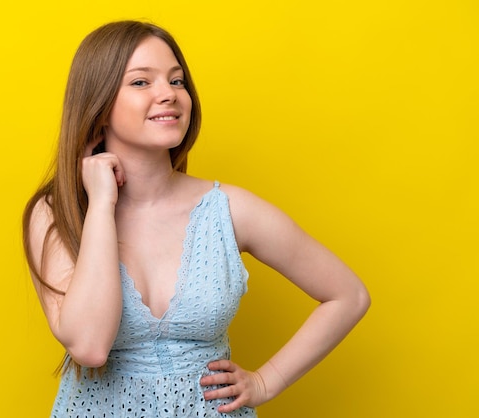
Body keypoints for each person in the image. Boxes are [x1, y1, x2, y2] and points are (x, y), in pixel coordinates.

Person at [23, 20, 370, 417]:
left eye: (177, 81)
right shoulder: (56, 212)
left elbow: (349, 295)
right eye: (141, 82)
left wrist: (266, 380)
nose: (168, 95)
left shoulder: (228, 209)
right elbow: (89, 346)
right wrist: (101, 203)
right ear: (98, 106)